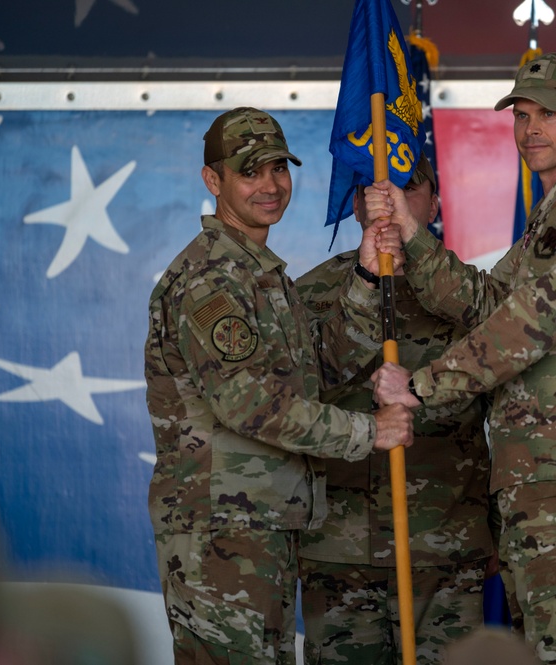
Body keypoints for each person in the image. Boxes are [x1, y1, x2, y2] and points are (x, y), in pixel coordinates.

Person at [367, 53, 556, 665]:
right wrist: (416, 236)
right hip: (543, 474)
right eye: (521, 115)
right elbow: (486, 304)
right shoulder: (554, 215)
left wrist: (422, 386)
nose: (531, 129)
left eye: (548, 113)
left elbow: (527, 326)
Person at [145, 107, 414, 665]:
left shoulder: (261, 274)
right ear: (213, 181)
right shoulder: (209, 279)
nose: (270, 185)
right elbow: (251, 405)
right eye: (250, 172)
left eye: (278, 168)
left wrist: (364, 278)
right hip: (221, 531)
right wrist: (371, 433)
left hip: (260, 526)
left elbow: (319, 375)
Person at [295, 155, 496, 664]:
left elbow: (510, 396)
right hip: (339, 550)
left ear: (433, 202)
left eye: (409, 186)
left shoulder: (467, 296)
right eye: (374, 187)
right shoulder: (312, 292)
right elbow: (295, 394)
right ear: (359, 202)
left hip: (443, 547)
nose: (390, 197)